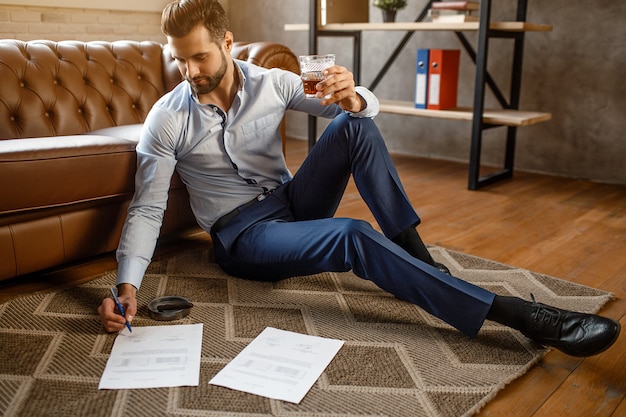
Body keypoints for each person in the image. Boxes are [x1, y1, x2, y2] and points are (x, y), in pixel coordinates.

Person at [98, 0, 620, 357]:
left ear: (228, 42)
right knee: (352, 235)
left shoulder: (275, 82)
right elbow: (148, 207)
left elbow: (356, 111)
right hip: (242, 236)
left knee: (355, 126)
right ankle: (518, 316)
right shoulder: (168, 117)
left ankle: (419, 261)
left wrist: (354, 95)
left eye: (200, 56)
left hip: (292, 203)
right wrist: (126, 286)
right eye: (179, 59)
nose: (189, 71)